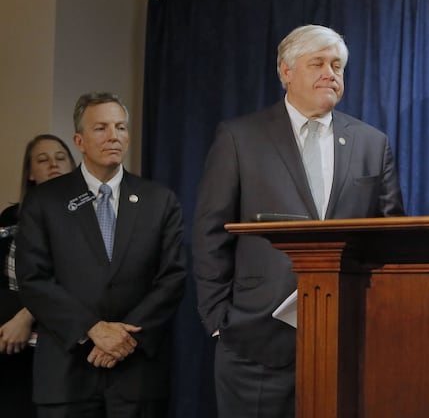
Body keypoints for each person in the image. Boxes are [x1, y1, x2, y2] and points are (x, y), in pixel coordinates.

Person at [192, 24, 405, 417]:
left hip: (348, 337)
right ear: (286, 71)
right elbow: (210, 233)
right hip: (255, 342)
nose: (331, 73)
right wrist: (221, 321)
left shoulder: (372, 143)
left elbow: (390, 236)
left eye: (337, 65)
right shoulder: (240, 137)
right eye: (318, 63)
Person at [15, 92, 186, 418]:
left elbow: (172, 277)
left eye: (121, 127)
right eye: (101, 128)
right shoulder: (46, 201)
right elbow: (34, 279)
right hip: (66, 374)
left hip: (136, 374)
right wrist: (93, 329)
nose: (114, 136)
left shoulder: (159, 200)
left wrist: (123, 338)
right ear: (79, 140)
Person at [1, 134, 77, 417]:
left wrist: (26, 316)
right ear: (30, 173)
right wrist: (12, 322)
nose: (53, 165)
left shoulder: (90, 218)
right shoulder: (11, 217)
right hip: (9, 342)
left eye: (60, 158)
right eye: (42, 160)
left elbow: (77, 281)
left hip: (59, 342)